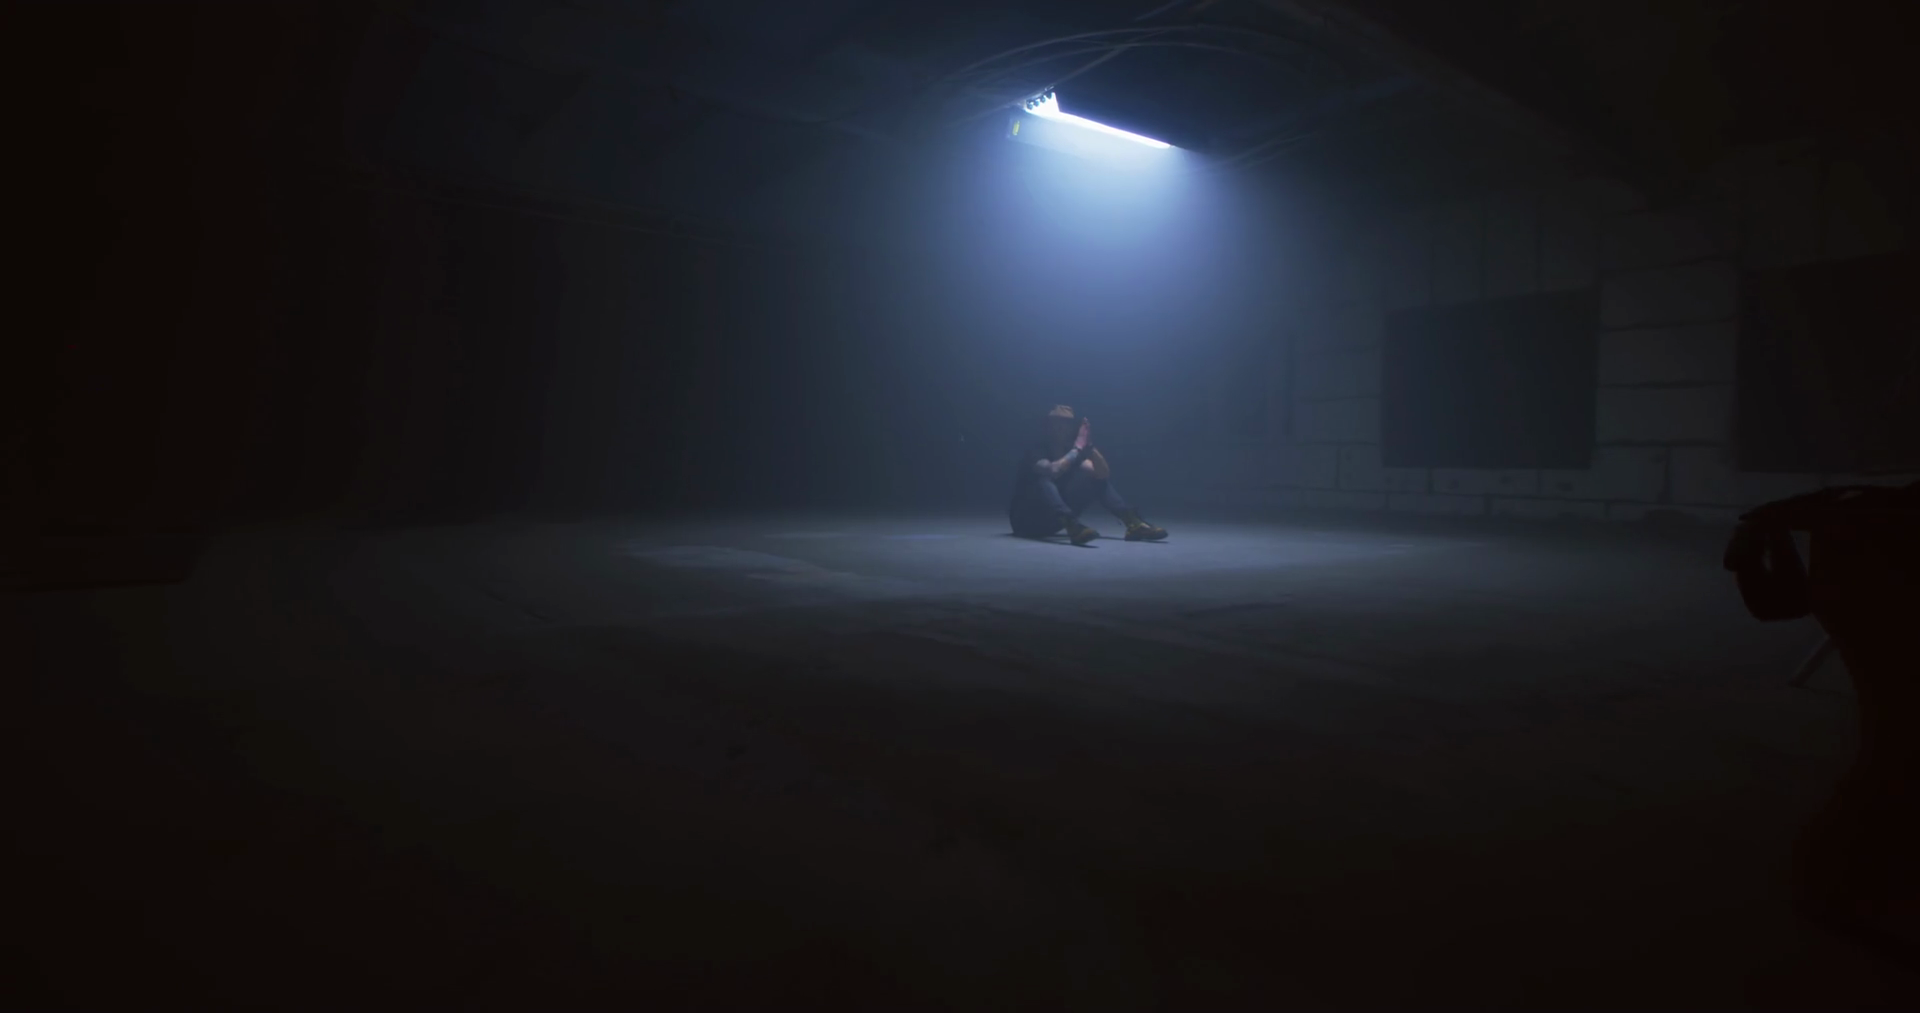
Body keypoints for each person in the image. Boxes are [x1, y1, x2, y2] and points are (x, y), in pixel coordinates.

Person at [1009, 405, 1167, 545]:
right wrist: (1077, 449)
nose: (1061, 428)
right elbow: (1053, 470)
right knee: (1043, 480)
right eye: (1056, 423)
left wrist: (1089, 447)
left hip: (1052, 523)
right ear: (1047, 426)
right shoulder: (1036, 450)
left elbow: (1102, 474)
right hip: (1026, 523)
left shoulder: (1072, 452)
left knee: (1094, 479)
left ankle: (1133, 523)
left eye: (1066, 424)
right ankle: (1072, 524)